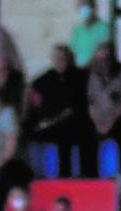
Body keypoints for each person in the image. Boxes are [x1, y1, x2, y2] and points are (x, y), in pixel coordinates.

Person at [25, 44, 93, 178]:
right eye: (57, 58)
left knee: (70, 133)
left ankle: (73, 176)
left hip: (73, 122)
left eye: (62, 58)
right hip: (49, 123)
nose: (60, 61)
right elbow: (31, 90)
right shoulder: (46, 78)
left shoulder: (79, 77)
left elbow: (77, 105)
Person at [86, 42, 121, 177]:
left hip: (117, 118)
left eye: (106, 59)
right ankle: (91, 176)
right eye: (99, 60)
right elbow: (91, 102)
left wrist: (110, 123)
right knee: (85, 133)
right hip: (99, 120)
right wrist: (98, 123)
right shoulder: (93, 76)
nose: (103, 63)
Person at [69, 0, 111, 68]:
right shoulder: (77, 31)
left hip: (97, 72)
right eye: (81, 5)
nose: (83, 8)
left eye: (86, 4)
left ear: (94, 6)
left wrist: (86, 67)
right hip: (79, 73)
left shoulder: (104, 28)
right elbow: (72, 53)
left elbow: (103, 53)